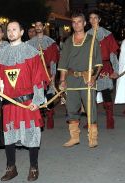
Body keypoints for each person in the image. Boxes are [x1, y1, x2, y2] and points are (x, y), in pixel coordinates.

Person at [0, 20, 49, 181]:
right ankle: (11, 167)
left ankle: (34, 167)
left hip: (28, 103)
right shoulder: (1, 55)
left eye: (14, 29)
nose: (10, 32)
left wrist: (37, 99)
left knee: (32, 134)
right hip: (8, 104)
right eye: (8, 30)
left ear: (21, 32)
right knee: (9, 137)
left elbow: (38, 79)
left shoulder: (31, 52)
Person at [58, 12, 103, 148]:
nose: (76, 24)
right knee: (71, 109)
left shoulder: (92, 39)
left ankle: (93, 137)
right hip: (71, 79)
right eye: (74, 22)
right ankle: (74, 137)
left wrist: (94, 77)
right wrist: (62, 80)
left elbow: (98, 63)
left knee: (91, 109)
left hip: (87, 79)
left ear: (84, 23)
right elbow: (63, 63)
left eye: (79, 22)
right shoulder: (67, 42)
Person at [87, 10, 119, 129]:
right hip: (91, 68)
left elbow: (113, 54)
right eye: (91, 18)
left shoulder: (107, 34)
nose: (93, 20)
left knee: (106, 93)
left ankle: (110, 119)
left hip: (105, 67)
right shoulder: (86, 35)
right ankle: (91, 121)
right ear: (89, 20)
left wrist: (116, 70)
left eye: (95, 17)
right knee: (91, 95)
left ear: (99, 20)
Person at [27, 20, 59, 129]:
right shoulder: (30, 43)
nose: (38, 27)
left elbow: (53, 60)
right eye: (36, 25)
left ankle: (50, 117)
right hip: (35, 73)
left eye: (40, 25)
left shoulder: (50, 42)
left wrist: (53, 75)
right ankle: (40, 119)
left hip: (47, 71)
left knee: (49, 94)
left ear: (43, 27)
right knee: (38, 94)